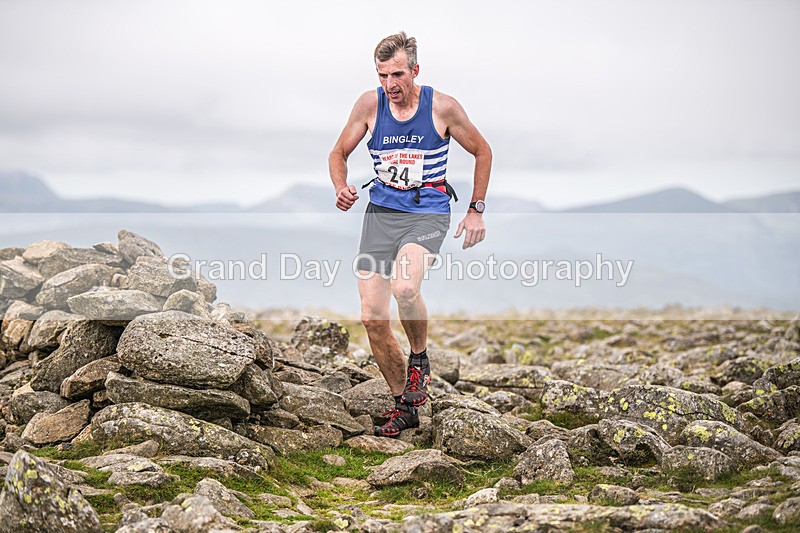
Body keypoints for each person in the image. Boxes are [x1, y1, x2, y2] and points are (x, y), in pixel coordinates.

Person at [329, 31, 492, 438]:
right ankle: (404, 406)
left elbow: (482, 151)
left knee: (404, 287)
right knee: (372, 318)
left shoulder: (442, 107)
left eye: (397, 74)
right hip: (381, 214)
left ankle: (419, 358)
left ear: (415, 70)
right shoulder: (370, 105)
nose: (390, 84)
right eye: (382, 75)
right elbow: (338, 152)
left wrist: (476, 209)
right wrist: (341, 186)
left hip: (427, 211)